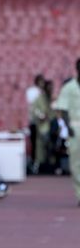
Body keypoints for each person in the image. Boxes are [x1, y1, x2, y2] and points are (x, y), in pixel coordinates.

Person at [55, 58, 80, 204]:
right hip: (75, 128)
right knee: (76, 163)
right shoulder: (69, 87)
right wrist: (68, 128)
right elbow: (62, 110)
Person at [25, 74, 45, 170]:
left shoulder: (42, 92)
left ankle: (40, 163)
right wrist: (40, 115)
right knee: (35, 143)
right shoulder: (33, 92)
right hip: (35, 121)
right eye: (41, 81)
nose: (42, 83)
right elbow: (33, 106)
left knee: (40, 144)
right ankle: (34, 163)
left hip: (42, 122)